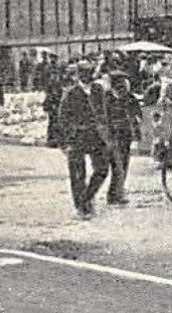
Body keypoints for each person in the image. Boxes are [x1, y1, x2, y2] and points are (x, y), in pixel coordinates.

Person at [58, 62, 111, 219]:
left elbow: (104, 111)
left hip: (96, 136)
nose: (88, 75)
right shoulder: (70, 93)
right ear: (77, 75)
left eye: (90, 72)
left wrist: (106, 130)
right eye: (84, 72)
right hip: (78, 138)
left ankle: (87, 197)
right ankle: (80, 207)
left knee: (102, 169)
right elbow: (63, 117)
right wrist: (70, 136)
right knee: (77, 174)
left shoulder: (98, 90)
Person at [103, 73, 141, 206]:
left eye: (125, 85)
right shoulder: (106, 99)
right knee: (117, 166)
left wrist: (137, 131)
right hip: (113, 136)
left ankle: (116, 193)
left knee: (123, 164)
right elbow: (103, 118)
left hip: (126, 136)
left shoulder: (130, 98)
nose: (123, 88)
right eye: (120, 85)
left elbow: (137, 115)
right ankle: (115, 194)